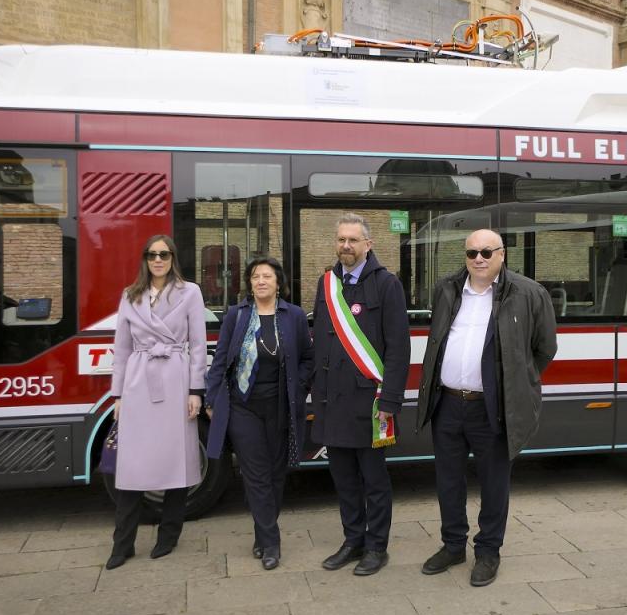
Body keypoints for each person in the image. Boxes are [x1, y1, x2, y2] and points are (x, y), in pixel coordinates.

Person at [415, 229, 558, 587]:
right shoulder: (447, 289)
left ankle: (488, 551)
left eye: (486, 252)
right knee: (448, 480)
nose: (478, 259)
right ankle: (452, 545)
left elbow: (545, 348)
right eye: (471, 253)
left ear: (502, 254)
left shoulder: (527, 293)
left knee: (494, 483)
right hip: (447, 402)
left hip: (492, 407)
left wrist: (513, 383)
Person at [311, 213, 410, 576]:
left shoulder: (387, 285)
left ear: (368, 244)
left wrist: (390, 402)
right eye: (341, 240)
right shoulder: (325, 285)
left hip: (370, 404)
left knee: (374, 480)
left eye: (353, 240)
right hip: (332, 403)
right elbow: (319, 340)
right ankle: (352, 541)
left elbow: (399, 349)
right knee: (343, 479)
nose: (346, 246)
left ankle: (376, 546)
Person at [204, 257, 313, 570]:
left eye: (267, 276)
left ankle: (261, 532)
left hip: (280, 407)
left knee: (277, 474)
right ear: (250, 284)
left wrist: (300, 386)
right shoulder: (236, 316)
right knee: (256, 475)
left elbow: (307, 357)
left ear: (278, 282)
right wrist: (212, 398)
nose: (261, 281)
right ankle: (271, 542)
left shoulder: (292, 316)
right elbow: (221, 360)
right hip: (243, 407)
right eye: (255, 277)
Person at [106, 235, 206, 569]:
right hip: (138, 383)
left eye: (164, 254)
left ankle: (169, 535)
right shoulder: (130, 295)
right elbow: (120, 348)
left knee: (175, 461)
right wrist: (117, 395)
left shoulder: (190, 292)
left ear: (173, 258)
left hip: (175, 379)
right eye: (152, 255)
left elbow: (198, 344)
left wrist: (196, 390)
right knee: (132, 466)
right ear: (145, 259)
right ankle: (123, 543)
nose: (158, 260)